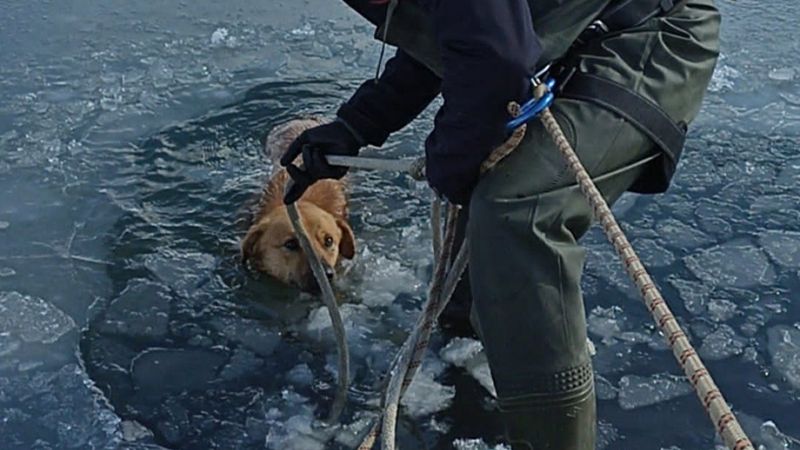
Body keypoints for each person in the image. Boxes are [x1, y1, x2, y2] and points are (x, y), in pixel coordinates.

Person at [279, 0, 720, 448]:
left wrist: (452, 160)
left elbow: (495, 58)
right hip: (560, 39)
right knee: (481, 179)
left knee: (517, 206)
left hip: (647, 32)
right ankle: (467, 334)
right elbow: (454, 37)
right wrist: (354, 125)